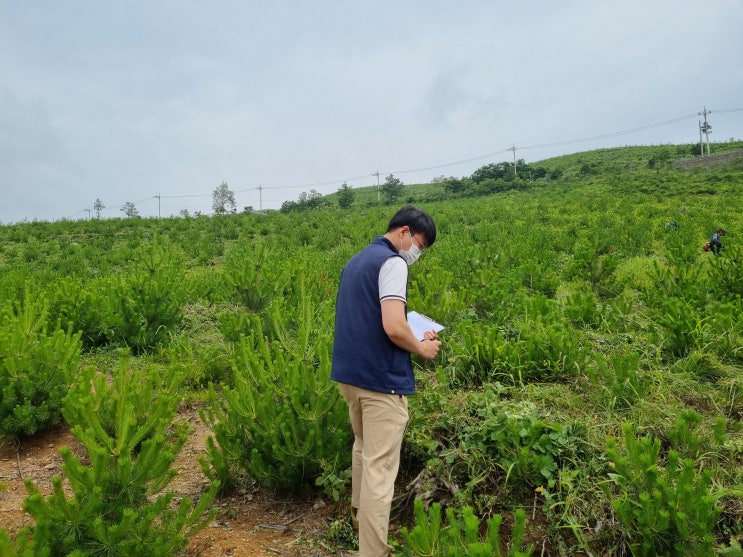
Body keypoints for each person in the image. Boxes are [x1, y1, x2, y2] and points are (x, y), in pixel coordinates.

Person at [331, 205, 441, 557]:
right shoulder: (392, 262)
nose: (416, 254)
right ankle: (373, 551)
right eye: (419, 246)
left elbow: (366, 316)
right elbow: (393, 326)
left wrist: (409, 333)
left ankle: (359, 526)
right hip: (381, 381)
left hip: (350, 376)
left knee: (363, 451)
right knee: (380, 469)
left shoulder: (357, 260)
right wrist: (422, 349)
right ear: (405, 232)